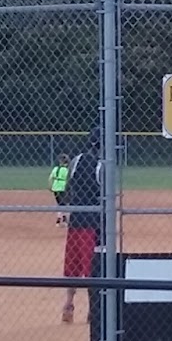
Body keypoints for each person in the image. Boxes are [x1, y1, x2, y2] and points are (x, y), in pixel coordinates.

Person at [60, 137, 103, 323]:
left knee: (73, 266)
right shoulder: (102, 165)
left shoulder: (76, 160)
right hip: (93, 223)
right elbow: (106, 196)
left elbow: (68, 188)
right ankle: (92, 311)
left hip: (76, 219)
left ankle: (68, 305)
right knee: (92, 268)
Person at [49, 154, 71, 225]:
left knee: (60, 203)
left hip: (55, 187)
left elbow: (50, 178)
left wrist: (50, 186)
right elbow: (68, 179)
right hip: (63, 187)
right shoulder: (66, 170)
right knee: (63, 203)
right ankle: (60, 219)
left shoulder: (55, 169)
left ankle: (62, 218)